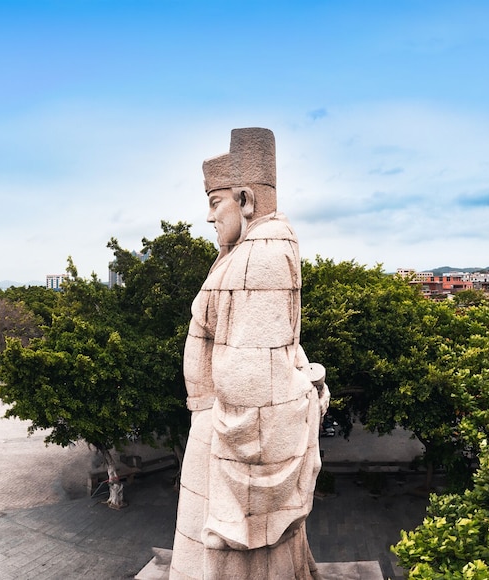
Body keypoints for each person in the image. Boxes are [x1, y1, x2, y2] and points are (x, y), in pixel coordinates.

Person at [170, 128, 329, 579]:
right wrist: (308, 385)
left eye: (215, 201)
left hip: (224, 434)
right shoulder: (247, 252)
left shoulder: (259, 255)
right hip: (215, 429)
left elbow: (249, 381)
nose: (209, 216)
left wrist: (303, 388)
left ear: (245, 199)